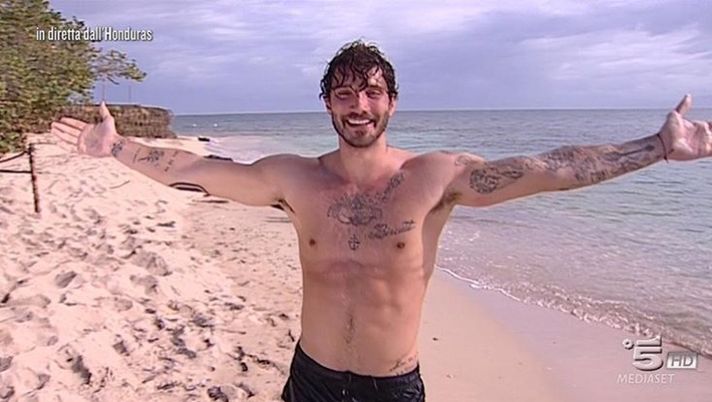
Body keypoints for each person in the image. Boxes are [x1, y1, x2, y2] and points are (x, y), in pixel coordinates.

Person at [51, 40, 712, 402]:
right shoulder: (293, 178)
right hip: (310, 379)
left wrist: (654, 148)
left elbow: (548, 168)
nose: (358, 105)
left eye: (371, 91)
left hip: (392, 389)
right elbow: (198, 169)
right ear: (328, 105)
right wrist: (118, 149)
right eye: (344, 93)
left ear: (392, 102)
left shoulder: (436, 177)